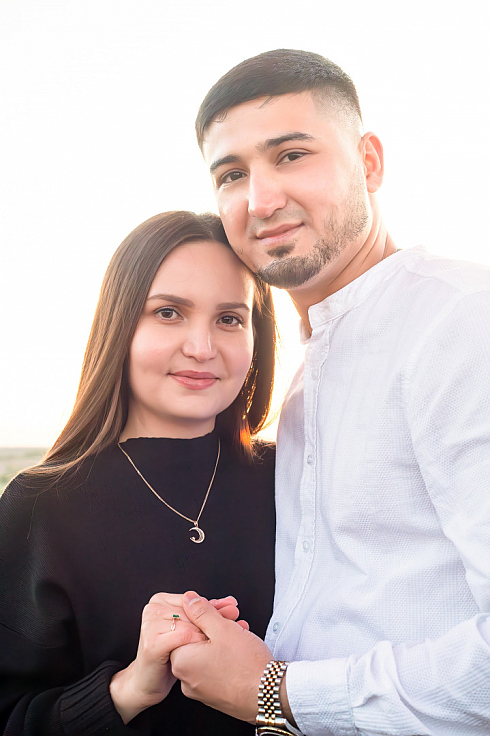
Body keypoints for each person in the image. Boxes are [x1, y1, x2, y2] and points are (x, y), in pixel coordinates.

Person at [168, 50, 490, 735]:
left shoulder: (463, 322)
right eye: (232, 175)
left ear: (369, 163)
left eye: (291, 155)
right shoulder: (305, 385)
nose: (260, 200)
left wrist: (273, 693)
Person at [0, 210, 277, 734]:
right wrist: (129, 688)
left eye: (230, 319)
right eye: (168, 312)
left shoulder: (293, 478)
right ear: (119, 325)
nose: (202, 348)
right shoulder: (39, 507)